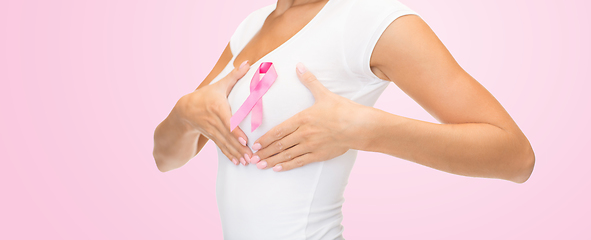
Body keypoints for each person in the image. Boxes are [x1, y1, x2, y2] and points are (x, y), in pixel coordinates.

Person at [153, 0, 535, 239]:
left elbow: (515, 157)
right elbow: (166, 158)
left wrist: (368, 130)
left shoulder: (372, 19)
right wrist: (184, 113)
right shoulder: (249, 27)